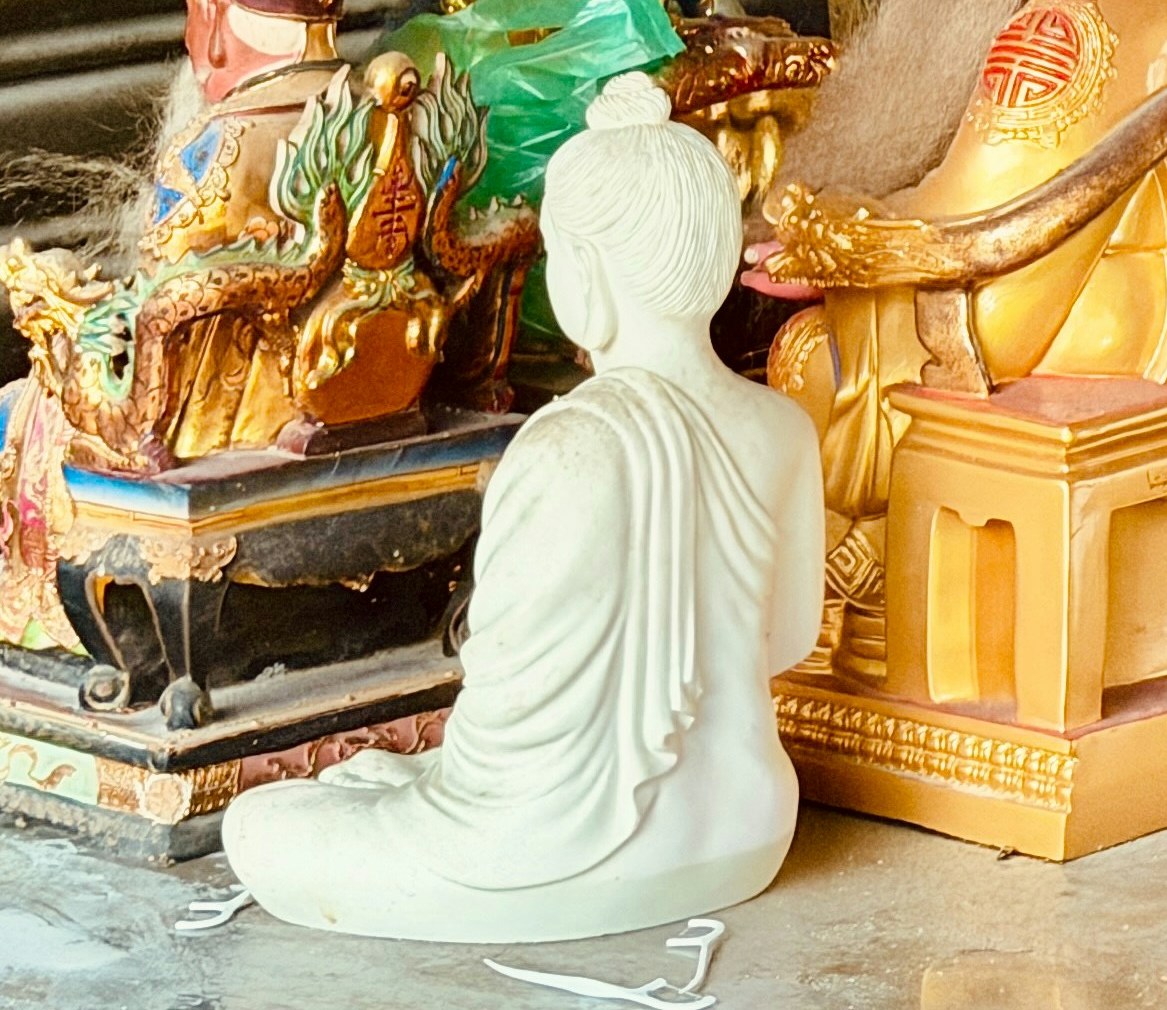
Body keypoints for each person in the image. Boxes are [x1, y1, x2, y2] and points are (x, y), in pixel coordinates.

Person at [221, 77, 825, 942]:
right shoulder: (783, 429)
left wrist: (435, 793)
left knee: (259, 826)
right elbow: (786, 639)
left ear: (591, 278)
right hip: (753, 823)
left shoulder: (564, 449)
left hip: (549, 853)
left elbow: (507, 739)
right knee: (369, 789)